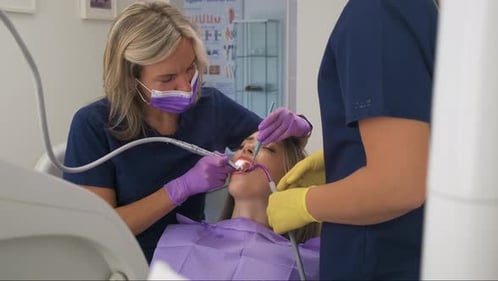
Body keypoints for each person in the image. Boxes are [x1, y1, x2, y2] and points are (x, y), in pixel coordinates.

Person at [62, 1, 312, 263]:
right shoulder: (94, 125)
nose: (185, 86)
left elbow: (280, 149)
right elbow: (99, 230)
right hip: (123, 263)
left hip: (192, 255)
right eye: (168, 78)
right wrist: (179, 189)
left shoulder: (210, 107)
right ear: (131, 79)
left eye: (190, 68)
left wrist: (300, 125)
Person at [265, 0, 439, 280]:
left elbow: (399, 186)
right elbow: (417, 141)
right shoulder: (408, 10)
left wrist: (305, 204)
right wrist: (347, 158)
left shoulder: (377, 11)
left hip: (380, 261)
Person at [151, 132, 321, 280]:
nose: (246, 147)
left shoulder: (307, 262)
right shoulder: (180, 240)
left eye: (267, 148)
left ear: (292, 176)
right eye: (242, 145)